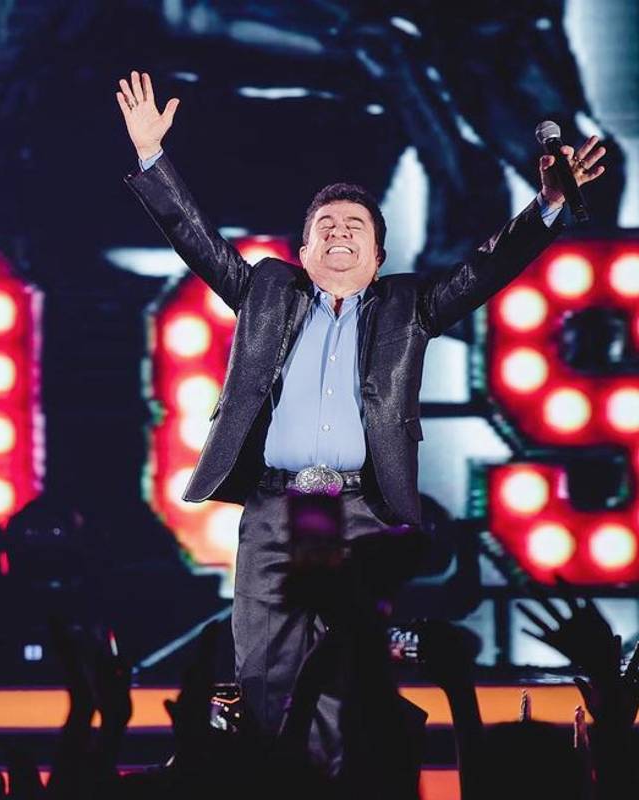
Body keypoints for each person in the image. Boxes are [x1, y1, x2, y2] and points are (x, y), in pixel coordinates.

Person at [114, 70, 606, 770]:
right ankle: (273, 779)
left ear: (377, 257)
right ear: (304, 252)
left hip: (360, 511)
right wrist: (151, 155)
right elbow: (196, 239)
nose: (339, 233)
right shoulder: (267, 291)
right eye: (326, 227)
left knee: (348, 668)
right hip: (278, 507)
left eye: (355, 227)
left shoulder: (408, 307)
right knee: (264, 667)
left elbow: (487, 268)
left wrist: (549, 204)